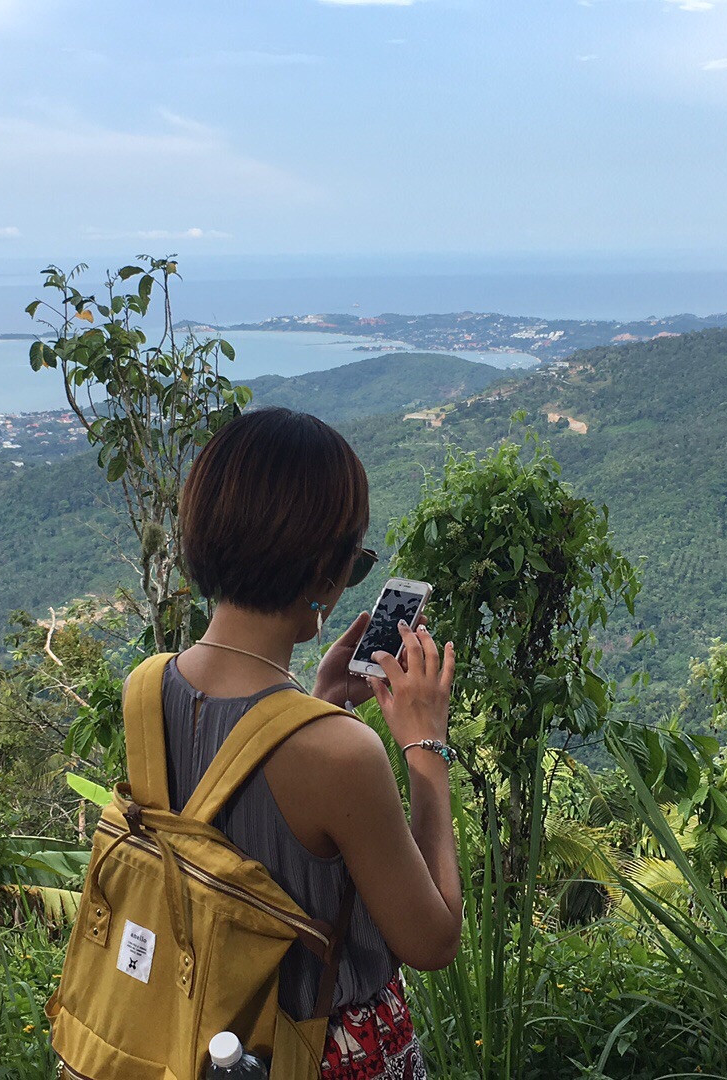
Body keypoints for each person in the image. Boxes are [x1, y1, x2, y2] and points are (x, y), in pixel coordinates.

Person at [165, 407, 461, 1079]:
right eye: (353, 561)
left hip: (205, 1037)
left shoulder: (149, 688)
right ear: (325, 574)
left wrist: (319, 704)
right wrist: (423, 748)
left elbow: (246, 813)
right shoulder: (341, 754)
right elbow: (433, 938)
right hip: (315, 1053)